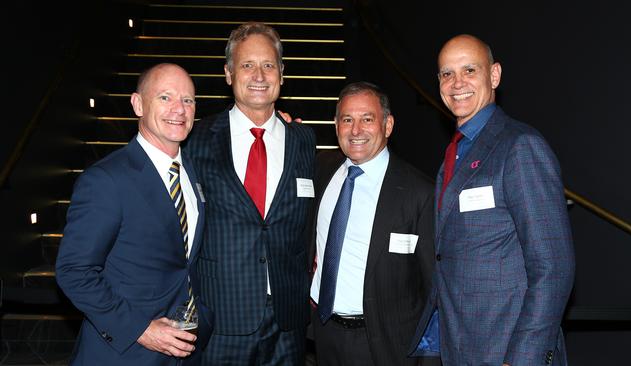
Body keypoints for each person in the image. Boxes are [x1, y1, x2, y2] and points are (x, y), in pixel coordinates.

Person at [411, 34, 575, 365]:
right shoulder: (454, 154)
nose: (457, 83)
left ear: (494, 75)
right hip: (461, 346)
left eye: (469, 70)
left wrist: (522, 358)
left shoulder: (520, 147)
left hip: (507, 351)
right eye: (446, 73)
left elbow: (554, 268)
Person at [55, 63, 213, 365]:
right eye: (165, 97)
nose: (178, 109)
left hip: (186, 349)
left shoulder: (191, 173)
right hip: (126, 353)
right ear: (137, 104)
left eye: (188, 100)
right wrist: (140, 329)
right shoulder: (106, 179)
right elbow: (74, 271)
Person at [183, 22, 315, 365]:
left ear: (282, 74)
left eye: (268, 65)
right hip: (222, 317)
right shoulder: (195, 140)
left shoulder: (303, 141)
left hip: (288, 319)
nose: (259, 75)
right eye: (247, 65)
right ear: (228, 73)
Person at [307, 81, 438, 366]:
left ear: (387, 125)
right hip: (324, 334)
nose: (356, 131)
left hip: (385, 345)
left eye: (367, 119)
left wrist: (429, 359)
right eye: (347, 120)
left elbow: (434, 290)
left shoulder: (419, 193)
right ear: (335, 124)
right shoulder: (322, 168)